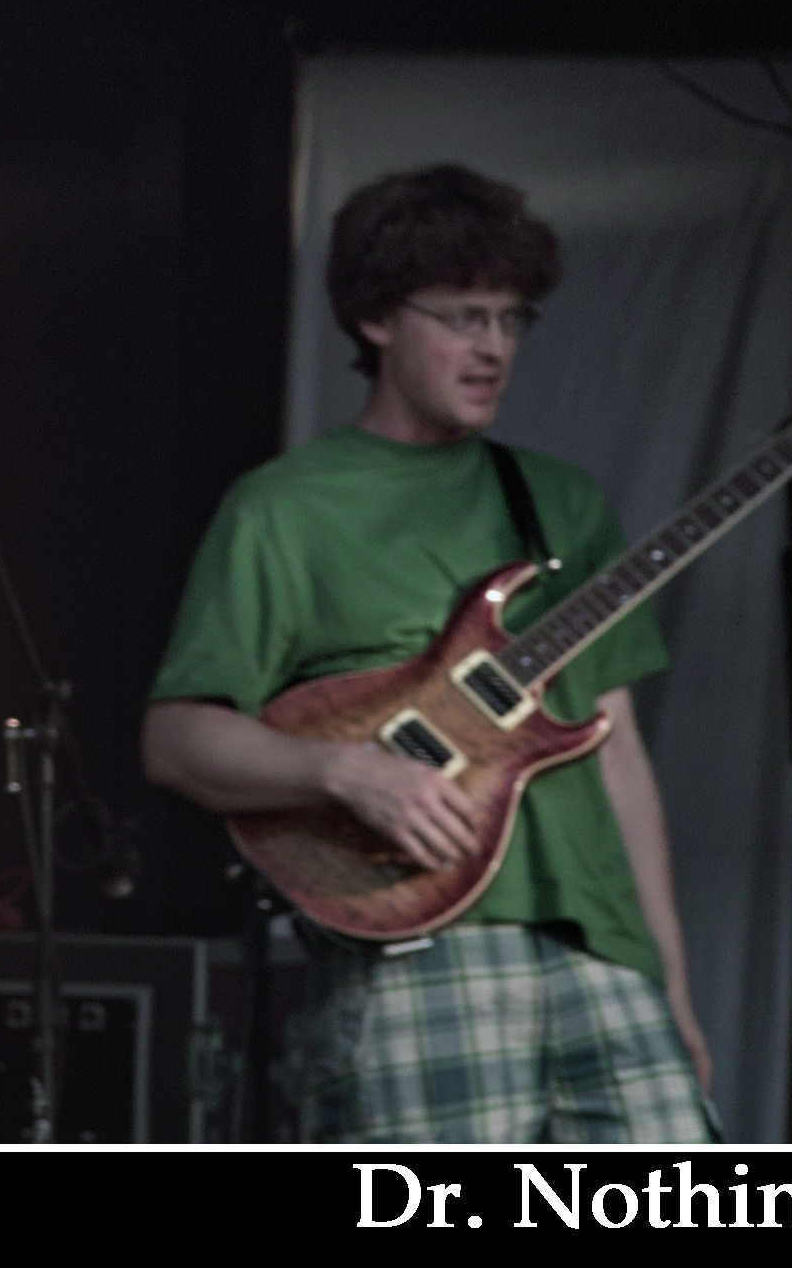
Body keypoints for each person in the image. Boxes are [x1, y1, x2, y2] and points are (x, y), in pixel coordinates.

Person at [140, 164, 716, 1144]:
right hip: (420, 952)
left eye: (511, 318)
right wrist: (347, 771)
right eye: (464, 316)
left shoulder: (560, 502)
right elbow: (176, 739)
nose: (495, 346)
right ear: (375, 317)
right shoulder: (283, 507)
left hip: (603, 953)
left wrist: (671, 979)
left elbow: (617, 751)